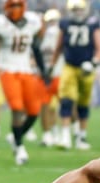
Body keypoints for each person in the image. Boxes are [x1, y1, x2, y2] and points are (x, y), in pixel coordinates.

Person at [0, 0, 46, 166]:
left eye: (18, 5)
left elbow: (36, 48)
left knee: (34, 111)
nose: (15, 9)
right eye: (12, 5)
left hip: (27, 70)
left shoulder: (33, 21)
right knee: (16, 108)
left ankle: (16, 137)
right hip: (8, 70)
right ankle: (20, 148)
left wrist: (43, 71)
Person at [49, 0, 100, 150]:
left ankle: (81, 137)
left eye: (80, 9)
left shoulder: (93, 23)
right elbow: (59, 46)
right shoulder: (65, 23)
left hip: (87, 67)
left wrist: (94, 62)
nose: (78, 12)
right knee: (66, 100)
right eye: (75, 9)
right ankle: (65, 136)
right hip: (70, 66)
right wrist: (52, 64)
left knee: (83, 104)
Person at [38, 8, 63, 148]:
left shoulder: (60, 34)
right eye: (50, 22)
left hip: (58, 73)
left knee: (62, 107)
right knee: (45, 106)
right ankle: (49, 134)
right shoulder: (43, 36)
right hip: (46, 75)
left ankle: (60, 132)